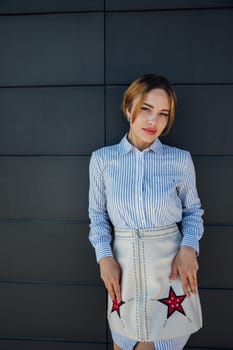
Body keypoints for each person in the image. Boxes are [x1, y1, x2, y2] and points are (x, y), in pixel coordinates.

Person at [88, 74, 204, 350]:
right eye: (146, 109)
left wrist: (189, 247)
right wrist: (104, 258)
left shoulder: (179, 160)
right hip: (124, 271)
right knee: (123, 342)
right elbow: (97, 216)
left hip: (169, 272)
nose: (154, 121)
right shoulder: (103, 160)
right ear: (129, 109)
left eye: (163, 114)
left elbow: (193, 211)